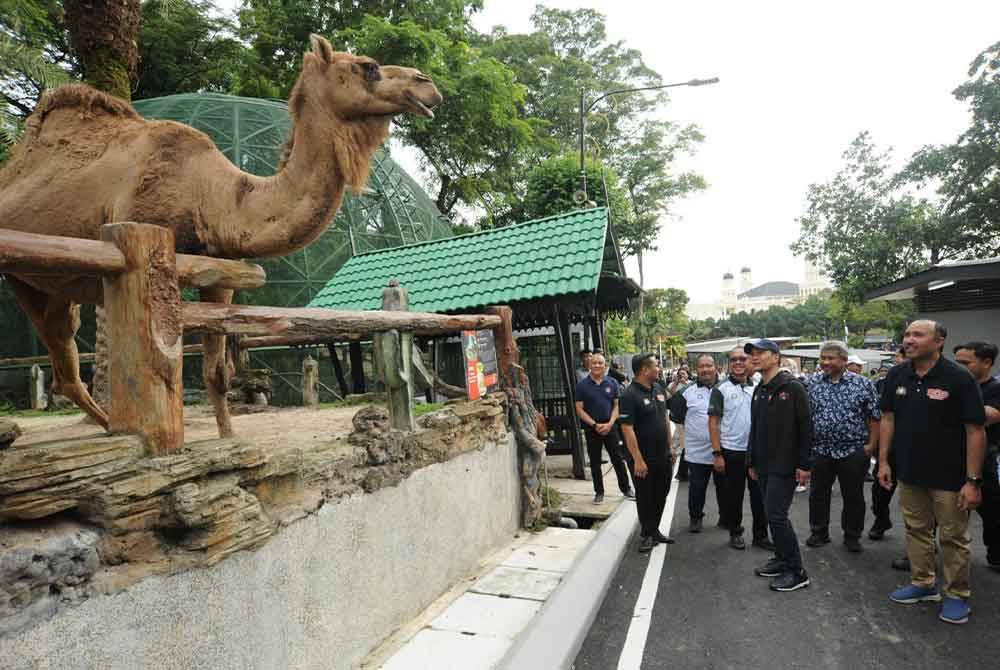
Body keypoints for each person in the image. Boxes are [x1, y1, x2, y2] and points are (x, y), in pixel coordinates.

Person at [878, 320, 986, 625]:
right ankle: (923, 583)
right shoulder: (898, 374)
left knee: (953, 537)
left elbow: (975, 430)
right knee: (915, 530)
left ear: (939, 341)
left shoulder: (959, 377)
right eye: (907, 334)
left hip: (951, 477)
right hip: (910, 472)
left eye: (917, 335)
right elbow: (887, 418)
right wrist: (884, 462)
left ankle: (956, 595)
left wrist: (973, 481)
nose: (908, 339)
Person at [747, 338, 812, 592]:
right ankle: (782, 559)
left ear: (776, 357)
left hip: (784, 464)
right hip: (763, 464)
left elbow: (806, 426)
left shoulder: (792, 387)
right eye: (753, 353)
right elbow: (756, 428)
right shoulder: (759, 389)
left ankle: (797, 570)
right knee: (770, 513)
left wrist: (805, 464)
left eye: (761, 353)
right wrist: (751, 460)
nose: (755, 357)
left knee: (776, 515)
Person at [804, 341, 881, 553]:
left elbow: (875, 418)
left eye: (831, 358)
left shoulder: (862, 384)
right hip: (821, 450)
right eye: (823, 358)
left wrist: (871, 446)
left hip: (853, 450)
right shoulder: (813, 383)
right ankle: (819, 532)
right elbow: (807, 416)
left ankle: (852, 536)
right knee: (818, 493)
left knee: (853, 495)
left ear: (844, 360)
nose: (826, 362)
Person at [709, 347, 769, 550]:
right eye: (733, 359)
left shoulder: (760, 386)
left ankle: (761, 536)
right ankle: (736, 532)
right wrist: (717, 454)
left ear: (751, 361)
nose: (738, 362)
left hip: (757, 452)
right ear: (729, 363)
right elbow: (713, 423)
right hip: (731, 452)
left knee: (760, 496)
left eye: (742, 359)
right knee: (734, 496)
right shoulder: (720, 389)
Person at [620, 353, 675, 553]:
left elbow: (665, 419)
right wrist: (638, 460)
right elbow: (627, 429)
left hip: (663, 454)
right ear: (644, 370)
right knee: (645, 496)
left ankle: (654, 530)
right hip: (643, 458)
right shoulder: (628, 395)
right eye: (656, 366)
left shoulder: (659, 389)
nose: (659, 369)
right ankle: (646, 534)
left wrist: (670, 447)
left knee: (662, 492)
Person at [952, 341, 1000, 569]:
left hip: (986, 461)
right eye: (956, 362)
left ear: (987, 362)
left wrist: (943, 406)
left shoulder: (995, 389)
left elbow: (988, 416)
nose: (959, 367)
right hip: (951, 458)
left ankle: (996, 555)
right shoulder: (953, 385)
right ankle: (925, 553)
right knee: (939, 511)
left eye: (965, 363)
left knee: (992, 512)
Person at [670, 354, 724, 533]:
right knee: (697, 487)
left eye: (709, 365)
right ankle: (695, 518)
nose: (705, 369)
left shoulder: (725, 388)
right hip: (697, 452)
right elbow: (676, 416)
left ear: (715, 367)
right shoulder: (686, 392)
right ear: (696, 369)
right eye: (701, 366)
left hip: (723, 450)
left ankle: (726, 517)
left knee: (725, 487)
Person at [575, 352, 634, 505]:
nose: (597, 365)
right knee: (595, 462)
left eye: (600, 363)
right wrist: (594, 424)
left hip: (610, 426)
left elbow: (617, 405)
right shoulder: (582, 386)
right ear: (589, 365)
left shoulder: (612, 383)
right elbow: (579, 409)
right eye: (594, 363)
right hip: (591, 428)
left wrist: (609, 423)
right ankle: (599, 492)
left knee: (618, 459)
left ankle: (626, 488)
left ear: (605, 365)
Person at [870, 349, 908, 544]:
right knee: (880, 493)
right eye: (901, 357)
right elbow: (883, 415)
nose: (900, 361)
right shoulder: (890, 379)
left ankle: (923, 543)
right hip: (891, 447)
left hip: (916, 451)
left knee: (918, 503)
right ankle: (881, 521)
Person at [668, 368, 692, 481]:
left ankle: (672, 451)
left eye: (684, 374)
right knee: (685, 444)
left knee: (681, 441)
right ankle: (682, 472)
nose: (682, 376)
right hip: (678, 417)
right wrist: (677, 383)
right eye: (680, 374)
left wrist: (685, 384)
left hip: (688, 417)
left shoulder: (691, 384)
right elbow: (669, 395)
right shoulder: (673, 384)